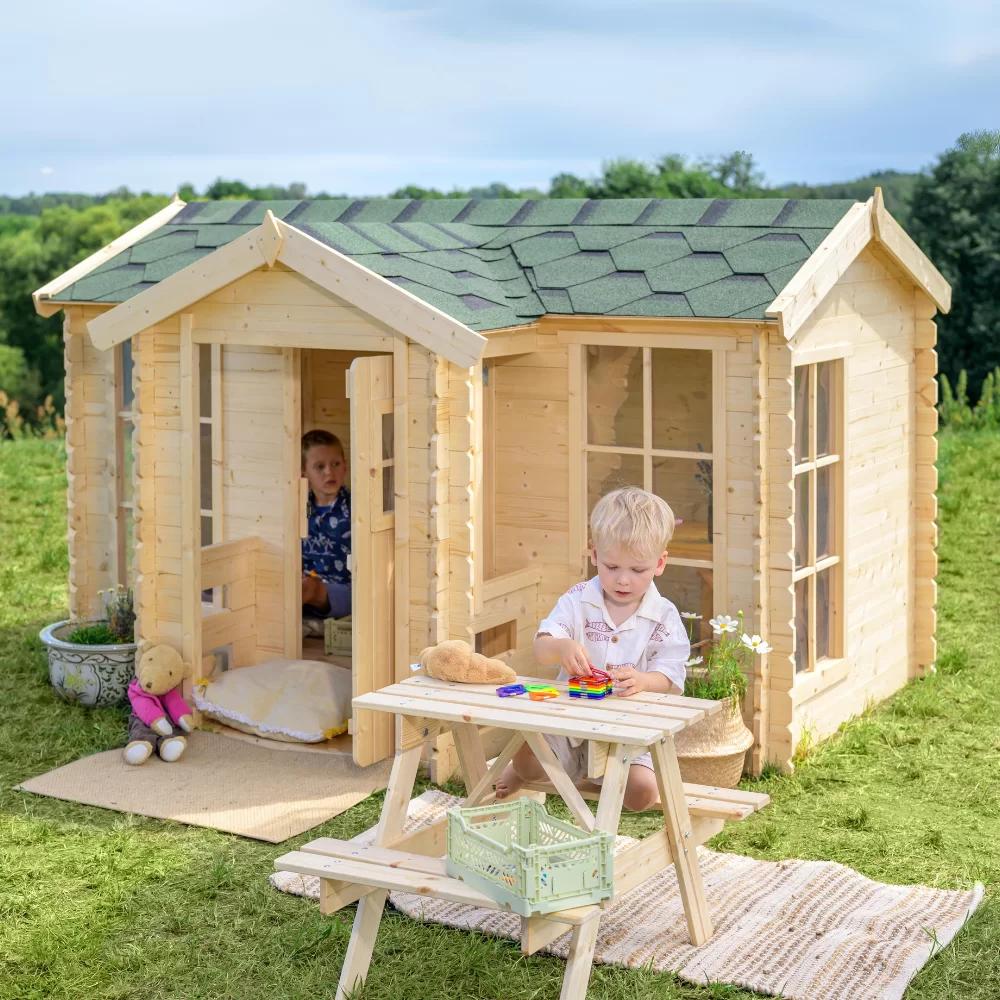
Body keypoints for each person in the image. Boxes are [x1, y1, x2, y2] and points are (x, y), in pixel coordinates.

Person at [495, 486, 689, 812]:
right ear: (594, 555)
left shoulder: (664, 615)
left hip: (628, 731)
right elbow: (542, 649)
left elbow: (670, 675)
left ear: (660, 563)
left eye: (637, 570)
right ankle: (529, 771)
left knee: (642, 795)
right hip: (569, 721)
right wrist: (562, 646)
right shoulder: (577, 600)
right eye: (612, 567)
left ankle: (594, 775)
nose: (623, 580)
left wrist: (644, 680)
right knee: (527, 761)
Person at [301, 429, 351, 622]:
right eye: (320, 467)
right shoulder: (300, 508)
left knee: (309, 588)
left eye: (335, 464)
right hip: (307, 584)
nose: (329, 472)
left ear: (345, 467)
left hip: (346, 591)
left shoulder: (356, 509)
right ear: (304, 474)